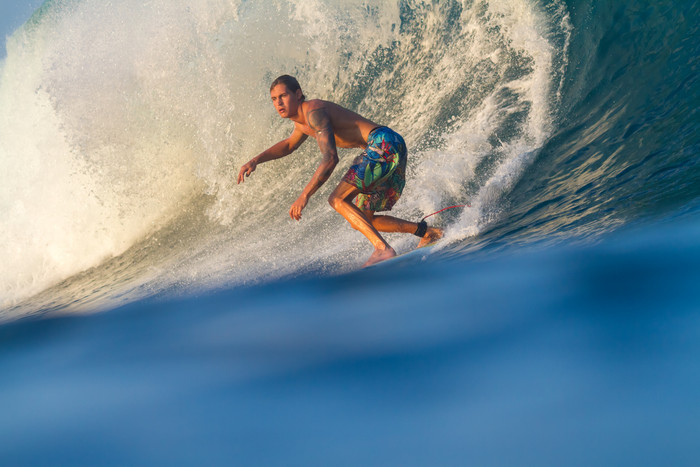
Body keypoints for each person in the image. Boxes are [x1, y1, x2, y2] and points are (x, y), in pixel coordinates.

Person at [238, 75, 442, 266]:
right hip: (390, 144)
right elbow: (289, 145)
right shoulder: (301, 124)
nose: (278, 103)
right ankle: (428, 232)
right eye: (274, 99)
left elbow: (330, 158)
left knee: (337, 199)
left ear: (298, 94)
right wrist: (256, 160)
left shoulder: (314, 112)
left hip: (382, 143)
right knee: (363, 218)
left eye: (283, 96)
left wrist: (304, 195)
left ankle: (382, 248)